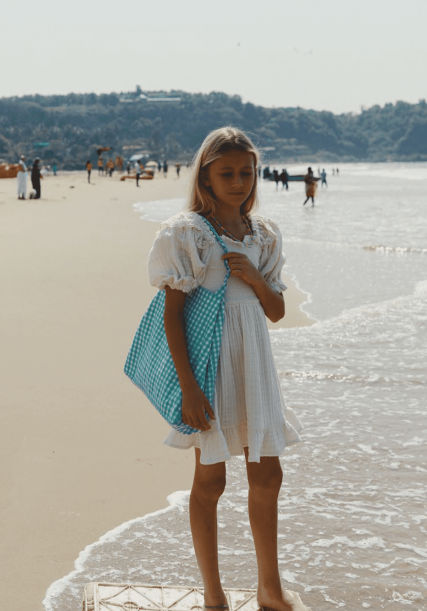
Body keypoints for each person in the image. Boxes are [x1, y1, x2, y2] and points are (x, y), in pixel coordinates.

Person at [146, 127, 302, 611]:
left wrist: (254, 276)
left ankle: (269, 589)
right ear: (206, 178)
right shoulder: (187, 233)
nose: (239, 182)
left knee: (268, 476)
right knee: (211, 481)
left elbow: (275, 311)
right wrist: (189, 389)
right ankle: (214, 594)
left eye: (246, 173)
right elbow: (173, 315)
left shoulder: (263, 234)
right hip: (210, 369)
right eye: (227, 173)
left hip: (254, 366)